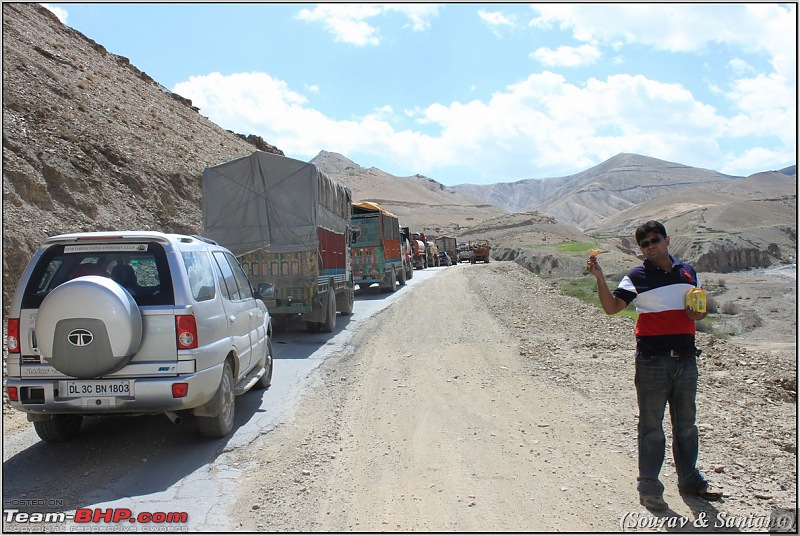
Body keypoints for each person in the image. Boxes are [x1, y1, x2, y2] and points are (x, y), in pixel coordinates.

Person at [586, 220, 723, 511]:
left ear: (667, 239)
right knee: (651, 427)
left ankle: (690, 480)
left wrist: (697, 314)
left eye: (654, 240)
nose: (650, 247)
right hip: (651, 361)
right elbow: (612, 308)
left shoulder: (688, 272)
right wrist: (599, 278)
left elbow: (697, 311)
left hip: (686, 358)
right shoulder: (636, 276)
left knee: (686, 425)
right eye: (644, 244)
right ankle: (649, 487)